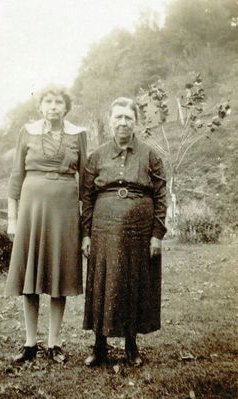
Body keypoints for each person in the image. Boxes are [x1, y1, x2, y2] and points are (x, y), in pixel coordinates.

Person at [81, 97, 167, 367]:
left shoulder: (151, 155)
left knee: (134, 282)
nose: (122, 122)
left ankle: (131, 345)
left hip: (139, 230)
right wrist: (86, 234)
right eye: (117, 117)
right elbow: (86, 197)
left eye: (128, 118)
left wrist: (157, 234)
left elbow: (162, 195)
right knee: (102, 283)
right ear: (110, 121)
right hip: (103, 228)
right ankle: (99, 346)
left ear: (136, 122)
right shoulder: (96, 157)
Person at [5, 86, 87, 364]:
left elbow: (86, 182)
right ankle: (30, 343)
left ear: (66, 107)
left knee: (58, 276)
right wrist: (13, 219)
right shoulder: (27, 132)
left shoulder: (78, 134)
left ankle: (54, 342)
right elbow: (16, 176)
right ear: (40, 106)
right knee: (29, 276)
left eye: (59, 102)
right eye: (48, 102)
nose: (53, 106)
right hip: (31, 210)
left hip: (63, 213)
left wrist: (85, 226)